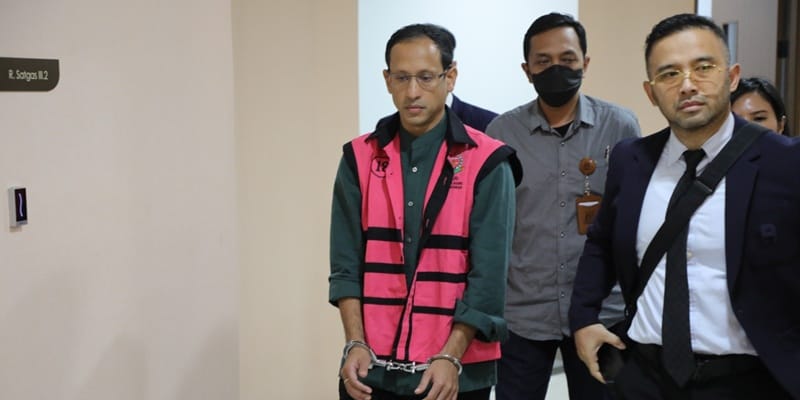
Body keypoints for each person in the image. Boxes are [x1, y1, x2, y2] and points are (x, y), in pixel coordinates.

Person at [570, 13, 799, 399]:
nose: (688, 85)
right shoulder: (631, 159)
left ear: (732, 77)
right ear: (651, 92)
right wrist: (583, 317)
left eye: (703, 67)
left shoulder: (785, 162)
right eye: (669, 74)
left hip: (747, 380)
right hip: (644, 376)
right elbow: (601, 243)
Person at [329, 23, 522, 400]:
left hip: (455, 373)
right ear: (387, 80)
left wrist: (451, 356)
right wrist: (355, 342)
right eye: (401, 78)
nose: (412, 91)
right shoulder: (358, 157)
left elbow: (488, 277)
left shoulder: (487, 161)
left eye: (426, 77)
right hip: (370, 369)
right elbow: (345, 266)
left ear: (451, 77)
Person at [485, 12, 640, 400]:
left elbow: (630, 218)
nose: (557, 69)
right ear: (527, 70)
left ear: (585, 63)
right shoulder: (501, 133)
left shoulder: (621, 127)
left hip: (602, 311)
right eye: (543, 61)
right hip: (523, 312)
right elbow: (492, 223)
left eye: (567, 59)